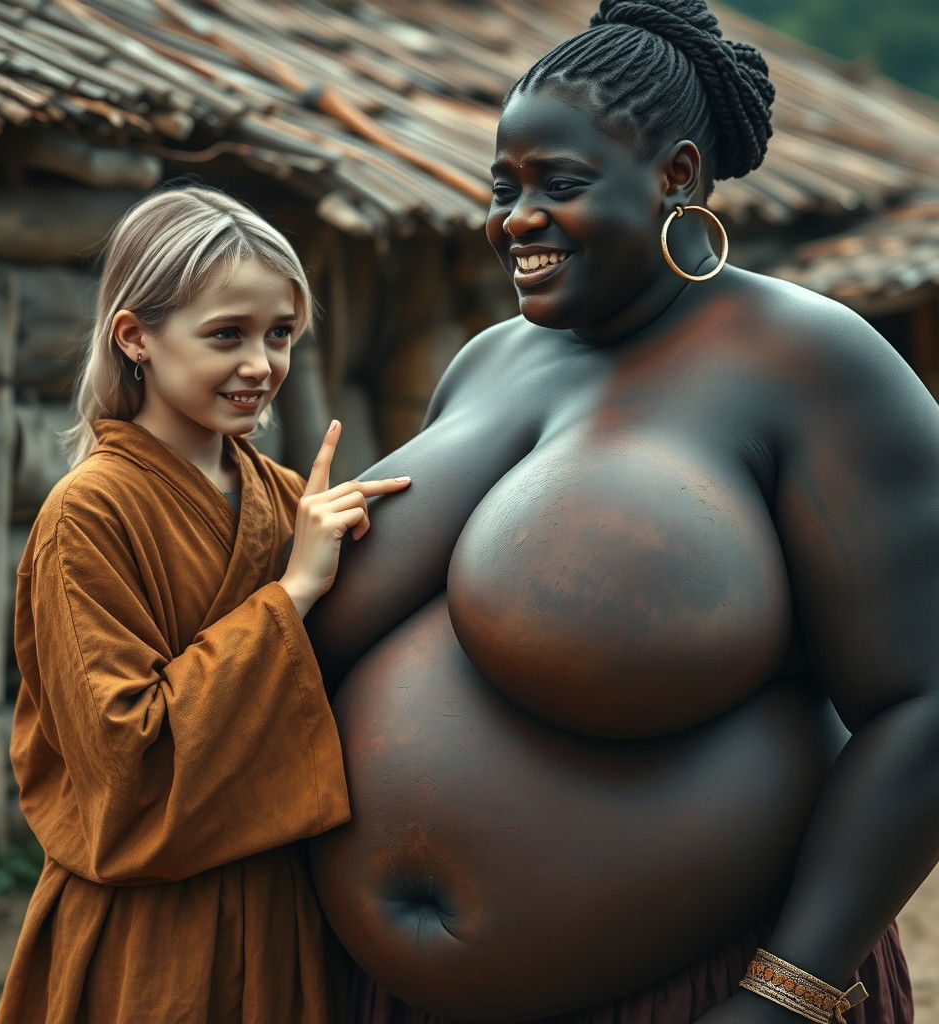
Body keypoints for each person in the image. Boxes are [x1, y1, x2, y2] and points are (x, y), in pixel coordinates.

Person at [305, 2, 938, 1023]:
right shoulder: (482, 365)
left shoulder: (808, 364)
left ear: (676, 176)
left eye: (560, 185)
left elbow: (922, 705)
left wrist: (784, 998)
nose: (516, 218)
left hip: (692, 993)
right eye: (503, 188)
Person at [0, 185, 410, 1024]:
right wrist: (292, 595)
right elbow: (128, 765)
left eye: (279, 334)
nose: (261, 364)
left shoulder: (286, 501)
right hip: (148, 935)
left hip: (286, 916)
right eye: (227, 334)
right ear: (135, 336)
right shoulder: (87, 515)